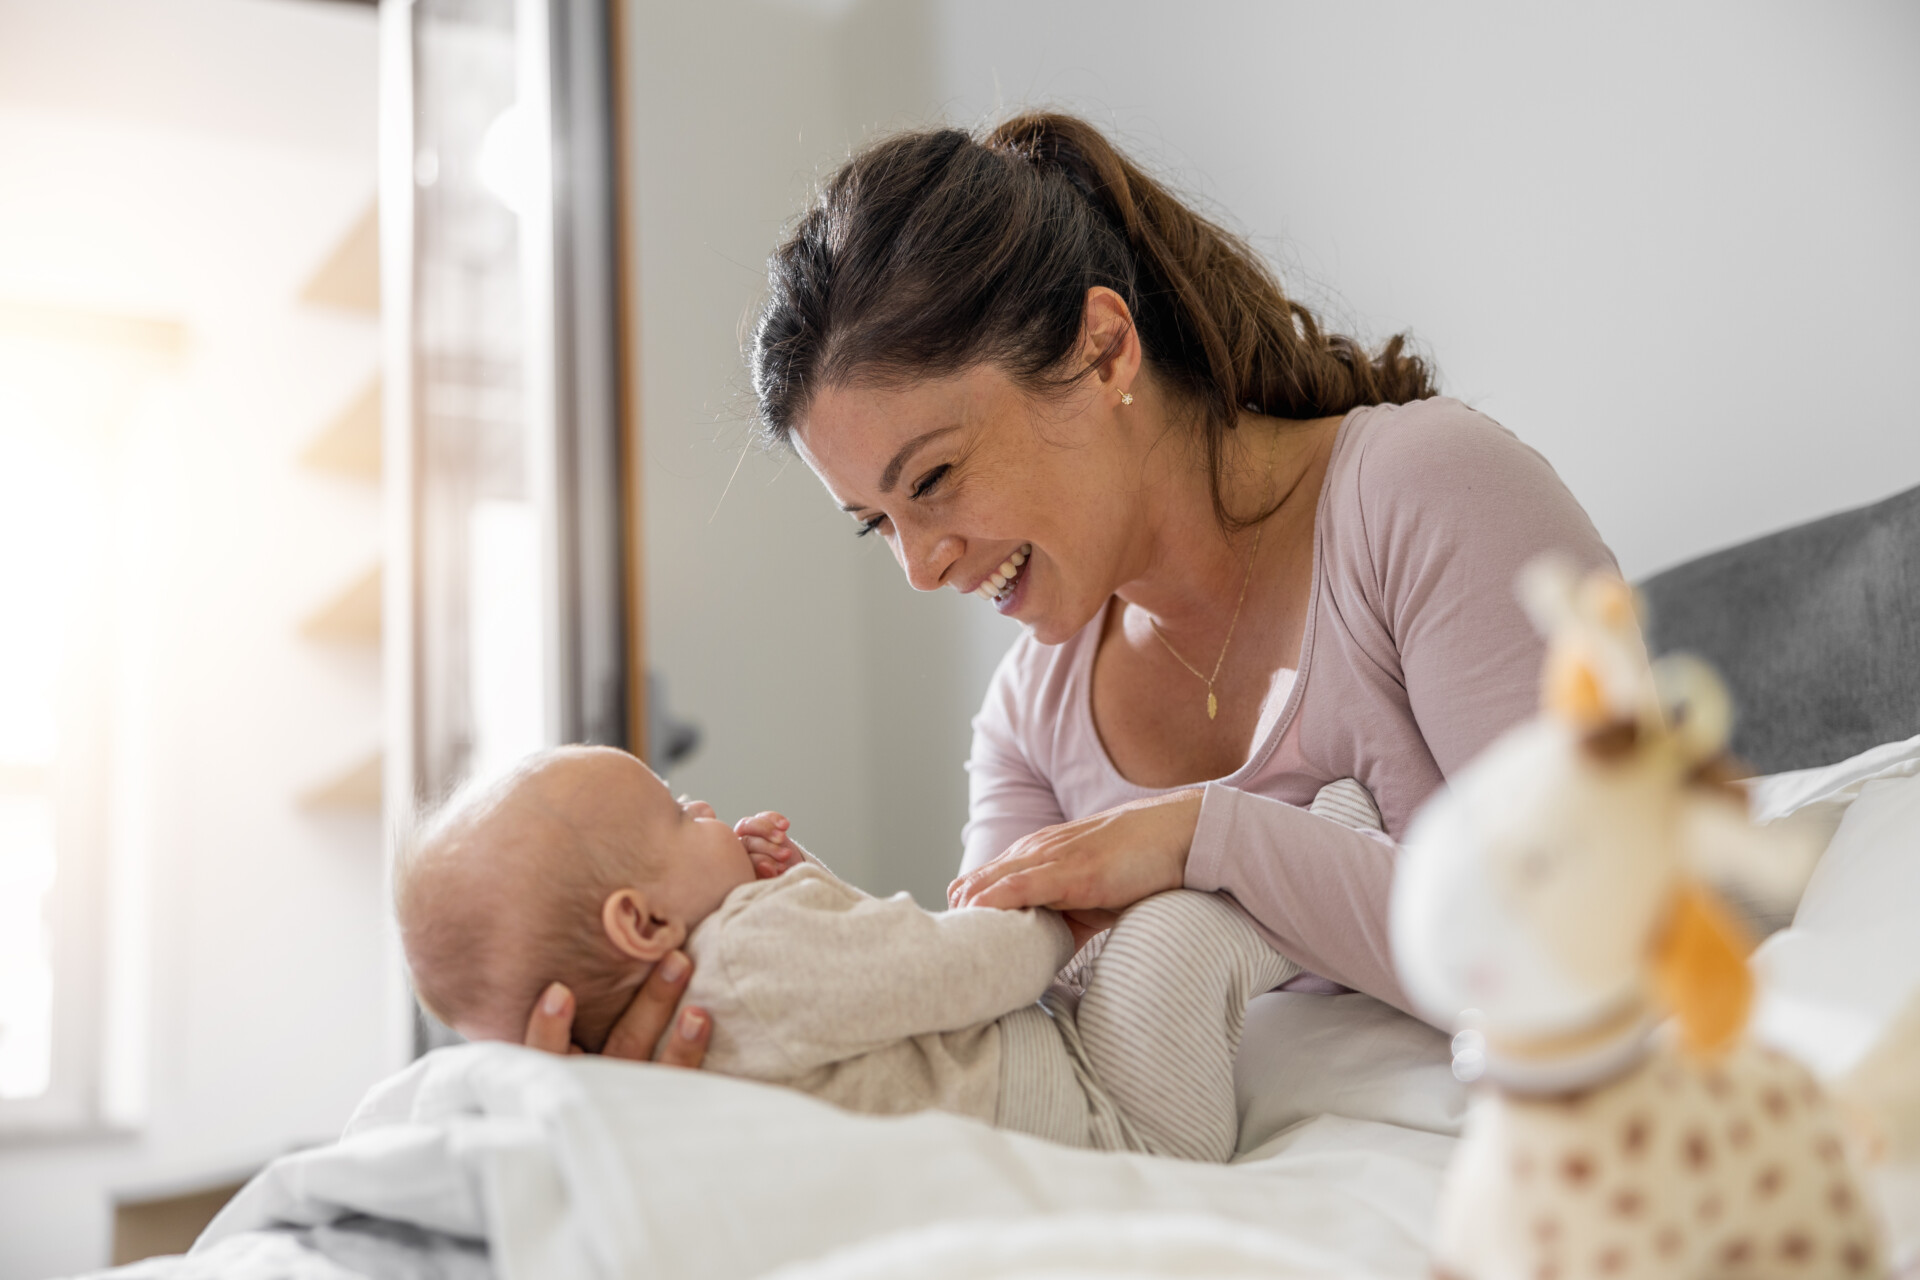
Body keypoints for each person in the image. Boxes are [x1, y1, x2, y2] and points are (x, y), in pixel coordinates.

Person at [520, 107, 1613, 1061]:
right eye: (877, 524)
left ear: (1103, 350)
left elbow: (1588, 938)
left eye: (935, 479)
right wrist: (761, 960)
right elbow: (1001, 1043)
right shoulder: (1031, 721)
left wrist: (1205, 838)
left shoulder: (1425, 493)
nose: (920, 564)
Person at [402, 745, 1301, 1161]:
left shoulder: (705, 1023)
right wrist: (1054, 922)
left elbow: (870, 991)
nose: (707, 811)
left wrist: (805, 880)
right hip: (1123, 1121)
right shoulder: (747, 957)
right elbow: (946, 970)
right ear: (641, 926)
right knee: (1170, 928)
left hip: (1074, 1095)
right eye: (678, 812)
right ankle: (1333, 834)